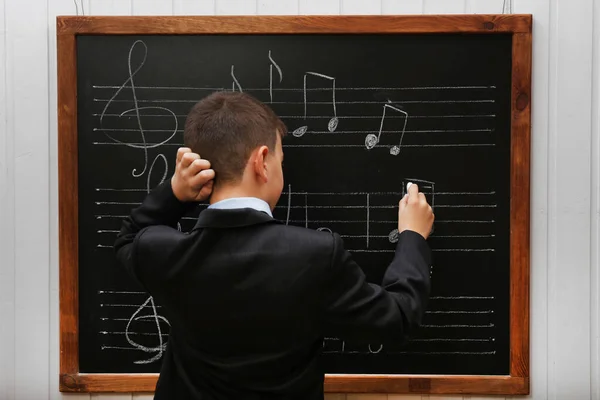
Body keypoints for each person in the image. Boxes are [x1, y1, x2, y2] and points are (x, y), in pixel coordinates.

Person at [114, 91, 434, 400]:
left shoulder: (164, 253)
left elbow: (129, 237)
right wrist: (412, 237)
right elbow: (398, 319)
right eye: (281, 158)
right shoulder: (317, 256)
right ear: (262, 161)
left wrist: (176, 192)